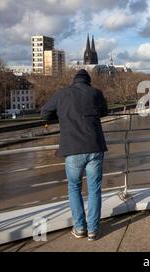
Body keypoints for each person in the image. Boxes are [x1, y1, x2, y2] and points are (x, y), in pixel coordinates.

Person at [41, 69, 108, 241]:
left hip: (72, 148)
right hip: (94, 146)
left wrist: (63, 116)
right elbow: (105, 112)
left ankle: (79, 228)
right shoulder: (95, 93)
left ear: (74, 81)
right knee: (94, 190)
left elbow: (44, 113)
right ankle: (93, 230)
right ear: (88, 81)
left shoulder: (62, 94)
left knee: (74, 188)